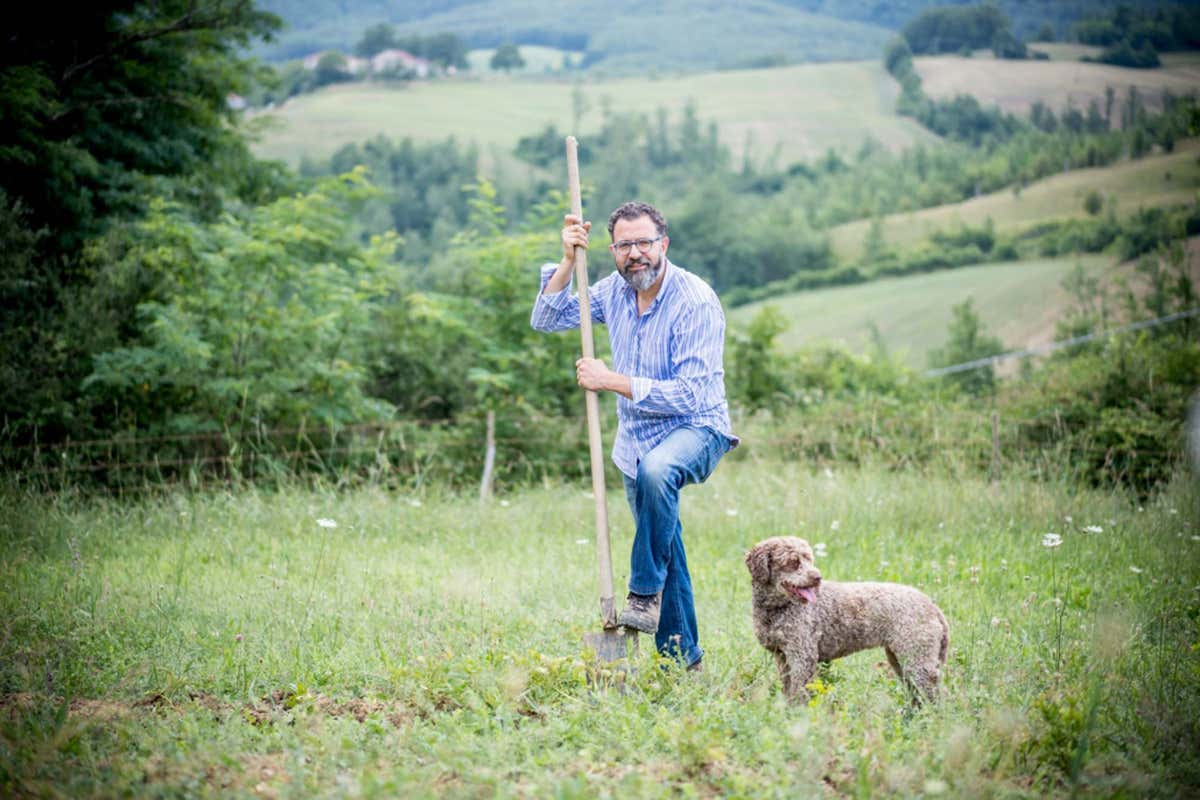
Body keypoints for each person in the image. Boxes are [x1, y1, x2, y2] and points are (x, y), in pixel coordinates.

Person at [530, 200, 738, 670]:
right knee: (667, 550)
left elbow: (689, 394)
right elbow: (546, 318)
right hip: (635, 444)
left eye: (645, 242)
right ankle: (682, 663)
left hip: (697, 427)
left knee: (658, 470)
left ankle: (642, 592)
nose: (635, 253)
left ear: (663, 244)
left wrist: (610, 380)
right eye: (625, 246)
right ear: (613, 251)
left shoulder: (695, 301)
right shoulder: (613, 291)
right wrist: (567, 260)